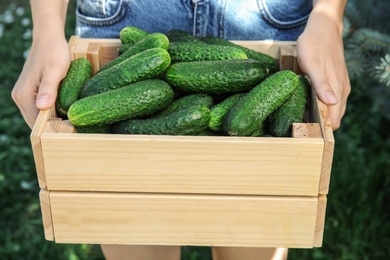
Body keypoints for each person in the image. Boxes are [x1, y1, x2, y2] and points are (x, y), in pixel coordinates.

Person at [11, 0, 350, 259]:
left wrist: (328, 16)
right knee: (132, 235)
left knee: (255, 239)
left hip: (264, 16)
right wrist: (46, 29)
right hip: (126, 14)